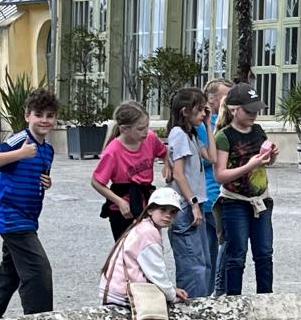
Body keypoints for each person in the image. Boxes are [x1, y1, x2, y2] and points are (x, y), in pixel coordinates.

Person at [0, 88, 59, 320]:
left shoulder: (48, 150)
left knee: (11, 270)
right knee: (37, 270)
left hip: (29, 218)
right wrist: (20, 153)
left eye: (50, 115)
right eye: (38, 114)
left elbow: (38, 176)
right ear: (27, 116)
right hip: (10, 216)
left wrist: (46, 182)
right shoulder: (20, 140)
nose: (44, 120)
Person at [214, 83, 278, 296]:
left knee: (264, 253)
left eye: (256, 110)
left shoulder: (258, 131)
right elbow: (220, 175)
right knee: (236, 254)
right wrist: (249, 166)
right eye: (249, 111)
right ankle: (234, 299)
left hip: (261, 200)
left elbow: (265, 162)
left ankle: (265, 298)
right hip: (235, 201)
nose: (254, 115)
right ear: (234, 109)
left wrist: (271, 156)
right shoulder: (224, 136)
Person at [91, 100, 170, 240]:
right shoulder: (112, 152)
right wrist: (119, 202)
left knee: (150, 245)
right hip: (123, 209)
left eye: (147, 126)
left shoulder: (150, 138)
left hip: (147, 203)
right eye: (140, 129)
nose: (146, 131)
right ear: (124, 129)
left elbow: (164, 152)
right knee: (127, 248)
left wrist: (167, 164)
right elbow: (96, 182)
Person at [99, 188, 189, 307]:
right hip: (123, 294)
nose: (168, 215)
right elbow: (155, 272)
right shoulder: (148, 232)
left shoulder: (143, 225)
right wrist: (171, 295)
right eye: (163, 209)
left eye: (173, 212)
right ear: (150, 210)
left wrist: (171, 289)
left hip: (113, 289)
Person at [166, 87, 212, 298]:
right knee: (193, 266)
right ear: (185, 111)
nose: (203, 113)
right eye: (199, 110)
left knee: (204, 264)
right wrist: (193, 203)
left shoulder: (191, 135)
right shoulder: (179, 134)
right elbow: (178, 173)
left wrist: (208, 125)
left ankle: (201, 305)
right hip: (186, 206)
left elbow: (212, 157)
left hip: (195, 204)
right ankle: (191, 308)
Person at [198, 78, 232, 295]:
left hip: (216, 194)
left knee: (212, 250)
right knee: (226, 244)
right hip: (212, 195)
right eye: (227, 96)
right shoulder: (205, 127)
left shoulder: (224, 124)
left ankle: (208, 294)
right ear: (211, 99)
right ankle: (218, 291)